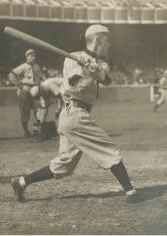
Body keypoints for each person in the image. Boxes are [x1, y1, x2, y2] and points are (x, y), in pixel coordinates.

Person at [11, 24, 145, 204]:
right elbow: (76, 85)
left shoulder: (100, 61)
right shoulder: (73, 58)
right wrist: (89, 73)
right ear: (98, 39)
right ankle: (131, 191)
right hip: (72, 108)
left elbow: (106, 79)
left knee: (64, 165)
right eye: (107, 39)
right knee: (109, 149)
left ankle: (20, 182)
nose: (110, 44)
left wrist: (95, 69)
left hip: (75, 112)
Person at [8, 49, 43, 137]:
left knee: (38, 110)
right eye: (31, 56)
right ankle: (26, 131)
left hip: (35, 88)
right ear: (27, 57)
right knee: (25, 111)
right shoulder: (22, 66)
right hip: (25, 89)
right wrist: (19, 85)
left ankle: (37, 130)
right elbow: (11, 75)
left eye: (34, 56)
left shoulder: (37, 66)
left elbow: (40, 77)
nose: (33, 57)